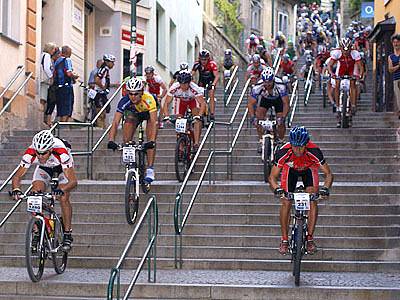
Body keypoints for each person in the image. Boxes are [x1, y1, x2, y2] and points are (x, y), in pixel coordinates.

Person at [268, 126, 333, 255]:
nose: (298, 150)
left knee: (313, 200)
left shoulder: (314, 150)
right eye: (295, 146)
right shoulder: (283, 152)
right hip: (290, 170)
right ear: (290, 144)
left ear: (306, 144)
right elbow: (272, 177)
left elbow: (328, 174)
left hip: (309, 170)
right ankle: (284, 240)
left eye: (301, 146)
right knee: (286, 201)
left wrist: (325, 188)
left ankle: (309, 239)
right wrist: (277, 189)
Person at [11, 130, 77, 251]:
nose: (40, 156)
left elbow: (73, 182)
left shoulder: (62, 153)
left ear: (50, 149)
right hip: (44, 169)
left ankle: (67, 233)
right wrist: (16, 189)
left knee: (64, 197)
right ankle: (37, 230)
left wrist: (61, 189)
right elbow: (17, 176)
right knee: (34, 194)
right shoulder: (30, 153)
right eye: (38, 153)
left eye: (43, 153)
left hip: (62, 168)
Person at [107, 77, 158, 183]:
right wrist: (111, 140)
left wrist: (152, 140)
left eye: (136, 94)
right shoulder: (124, 101)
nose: (133, 97)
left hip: (148, 115)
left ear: (141, 92)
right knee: (127, 133)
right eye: (130, 94)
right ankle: (131, 166)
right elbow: (116, 122)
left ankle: (150, 169)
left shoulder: (148, 99)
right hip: (134, 115)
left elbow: (154, 122)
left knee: (150, 138)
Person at [162, 71, 206, 153]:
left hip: (192, 100)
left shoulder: (194, 88)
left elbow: (202, 103)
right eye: (181, 84)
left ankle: (196, 143)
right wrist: (166, 116)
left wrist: (199, 116)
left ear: (189, 83)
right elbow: (166, 103)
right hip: (180, 101)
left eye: (185, 84)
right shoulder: (174, 88)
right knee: (179, 119)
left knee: (197, 118)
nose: (183, 86)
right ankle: (181, 145)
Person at [248, 67, 289, 153]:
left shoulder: (280, 85)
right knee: (258, 117)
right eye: (265, 82)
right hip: (265, 99)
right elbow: (250, 103)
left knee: (281, 121)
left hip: (278, 100)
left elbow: (286, 104)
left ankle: (281, 140)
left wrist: (283, 117)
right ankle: (261, 141)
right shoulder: (258, 86)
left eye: (269, 82)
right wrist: (252, 117)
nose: (267, 85)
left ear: (273, 80)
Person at [328, 38, 363, 127]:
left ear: (351, 48)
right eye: (344, 50)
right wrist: (332, 73)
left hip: (351, 70)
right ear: (341, 48)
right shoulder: (337, 53)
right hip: (341, 70)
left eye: (348, 51)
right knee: (337, 83)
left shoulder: (355, 54)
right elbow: (330, 65)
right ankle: (337, 105)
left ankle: (353, 105)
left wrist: (360, 76)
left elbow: (360, 67)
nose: (346, 52)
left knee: (353, 84)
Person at [192, 49, 219, 121]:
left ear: (208, 59)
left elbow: (216, 76)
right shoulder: (197, 64)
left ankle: (212, 114)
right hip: (202, 81)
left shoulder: (212, 64)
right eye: (202, 59)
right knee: (198, 95)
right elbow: (191, 75)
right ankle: (200, 111)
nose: (203, 61)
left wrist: (213, 84)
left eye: (205, 59)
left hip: (211, 81)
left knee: (211, 94)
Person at [53, 46, 78, 122]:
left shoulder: (57, 61)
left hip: (58, 86)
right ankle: (64, 124)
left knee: (60, 106)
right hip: (66, 86)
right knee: (67, 106)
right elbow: (69, 73)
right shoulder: (67, 60)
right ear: (68, 53)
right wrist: (75, 76)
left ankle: (60, 123)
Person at [94, 54, 116, 128]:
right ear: (107, 62)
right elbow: (97, 80)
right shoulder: (104, 69)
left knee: (106, 109)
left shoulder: (105, 69)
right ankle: (100, 128)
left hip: (102, 93)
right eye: (112, 62)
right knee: (100, 111)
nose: (113, 64)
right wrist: (103, 88)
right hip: (99, 93)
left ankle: (102, 126)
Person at [40, 42, 57, 125]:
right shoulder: (47, 55)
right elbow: (46, 68)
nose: (54, 51)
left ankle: (43, 119)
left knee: (43, 99)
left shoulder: (42, 54)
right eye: (53, 49)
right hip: (45, 80)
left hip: (42, 80)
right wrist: (51, 77)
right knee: (43, 99)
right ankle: (42, 119)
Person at [388, 34, 400, 119]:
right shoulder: (390, 57)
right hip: (396, 79)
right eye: (394, 42)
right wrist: (398, 66)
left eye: (397, 42)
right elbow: (390, 69)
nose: (396, 44)